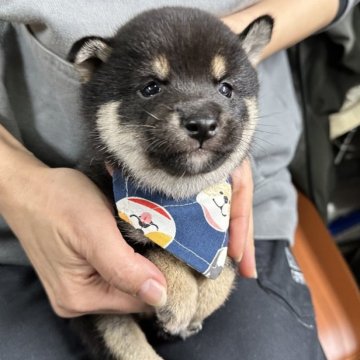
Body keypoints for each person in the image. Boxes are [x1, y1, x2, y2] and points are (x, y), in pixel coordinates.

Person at [0, 1, 357, 359]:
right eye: (152, 87)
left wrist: (228, 42)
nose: (201, 118)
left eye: (226, 89)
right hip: (29, 226)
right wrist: (18, 184)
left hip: (242, 211)